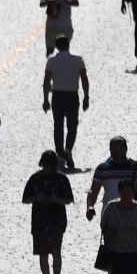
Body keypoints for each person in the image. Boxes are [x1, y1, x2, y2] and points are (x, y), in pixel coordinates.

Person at [21, 149, 73, 274]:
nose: (47, 167)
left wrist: (57, 199)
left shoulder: (61, 179)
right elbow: (25, 199)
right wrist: (37, 197)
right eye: (45, 164)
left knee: (56, 251)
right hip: (40, 221)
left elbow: (69, 199)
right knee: (43, 253)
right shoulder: (35, 179)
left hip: (57, 220)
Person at [42, 33, 90, 172]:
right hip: (72, 96)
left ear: (56, 47)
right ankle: (68, 149)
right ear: (68, 44)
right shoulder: (78, 60)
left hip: (57, 95)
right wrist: (86, 96)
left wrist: (45, 99)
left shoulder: (51, 61)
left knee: (58, 125)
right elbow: (84, 78)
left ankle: (60, 153)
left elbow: (46, 81)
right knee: (72, 125)